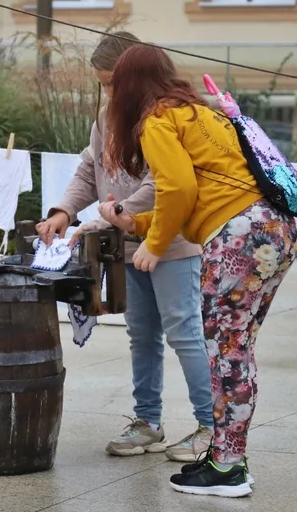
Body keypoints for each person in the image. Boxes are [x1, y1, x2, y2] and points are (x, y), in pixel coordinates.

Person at [96, 44, 297, 498]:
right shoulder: (200, 114)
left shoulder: (155, 121)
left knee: (227, 352)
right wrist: (136, 223)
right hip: (273, 228)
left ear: (127, 87)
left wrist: (153, 243)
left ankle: (227, 467)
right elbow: (195, 195)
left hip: (238, 236)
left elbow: (179, 188)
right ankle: (228, 459)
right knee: (236, 348)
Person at [37, 32, 215, 463]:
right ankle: (147, 422)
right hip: (127, 246)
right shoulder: (106, 118)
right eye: (103, 84)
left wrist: (108, 217)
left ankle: (213, 427)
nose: (108, 92)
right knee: (142, 336)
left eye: (113, 83)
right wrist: (64, 210)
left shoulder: (164, 119)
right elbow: (89, 168)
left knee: (185, 334)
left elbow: (164, 184)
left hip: (170, 244)